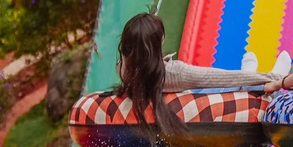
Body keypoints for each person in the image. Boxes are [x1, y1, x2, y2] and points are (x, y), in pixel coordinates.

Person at [109, 11, 278, 130]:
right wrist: (274, 77)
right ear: (159, 42)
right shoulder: (174, 73)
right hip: (193, 91)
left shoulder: (123, 67)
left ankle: (248, 70)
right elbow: (222, 78)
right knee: (225, 88)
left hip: (180, 86)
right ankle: (253, 72)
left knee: (226, 84)